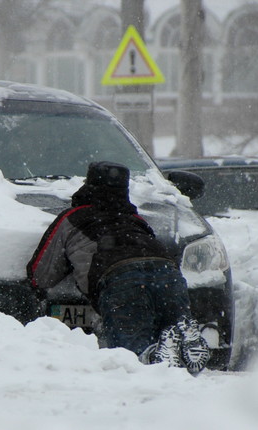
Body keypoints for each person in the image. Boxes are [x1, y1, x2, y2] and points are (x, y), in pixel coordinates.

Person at [26, 161, 210, 375]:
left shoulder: (73, 218)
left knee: (131, 359)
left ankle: (149, 355)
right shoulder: (135, 219)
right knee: (174, 348)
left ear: (88, 184)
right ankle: (184, 335)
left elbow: (41, 275)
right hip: (168, 273)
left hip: (121, 279)